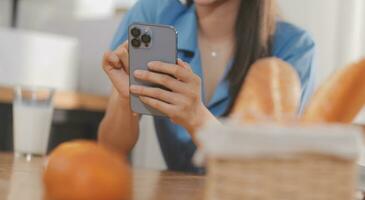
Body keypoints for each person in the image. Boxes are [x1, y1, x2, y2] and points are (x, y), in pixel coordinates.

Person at [98, 0, 316, 173]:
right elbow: (112, 150)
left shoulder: (294, 47)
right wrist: (126, 98)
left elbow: (268, 170)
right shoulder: (153, 14)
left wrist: (197, 118)